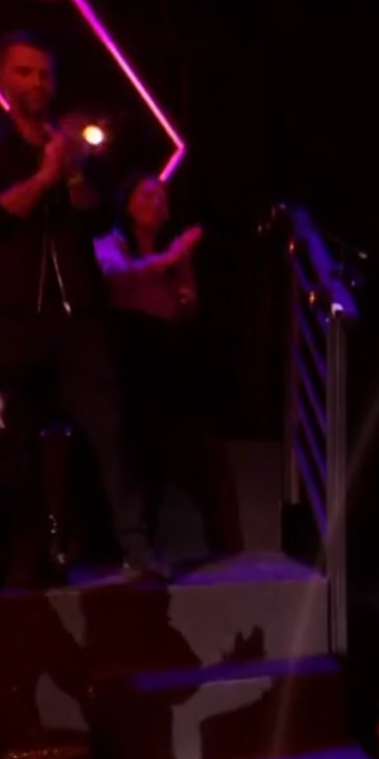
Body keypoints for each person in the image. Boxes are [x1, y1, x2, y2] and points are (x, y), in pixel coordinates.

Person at [0, 31, 163, 584]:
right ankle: (26, 562)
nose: (37, 83)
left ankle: (138, 550)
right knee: (14, 445)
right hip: (8, 319)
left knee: (111, 433)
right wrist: (43, 176)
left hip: (78, 317)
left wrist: (71, 171)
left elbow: (99, 217)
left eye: (45, 74)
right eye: (24, 72)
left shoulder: (68, 145)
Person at [94, 176, 239, 557]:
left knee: (197, 456)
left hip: (168, 361)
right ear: (127, 203)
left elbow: (183, 307)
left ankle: (227, 555)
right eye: (147, 194)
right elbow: (117, 281)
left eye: (162, 196)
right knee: (138, 458)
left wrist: (184, 294)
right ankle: (129, 552)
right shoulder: (111, 243)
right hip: (127, 359)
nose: (157, 201)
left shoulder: (173, 255)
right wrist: (170, 260)